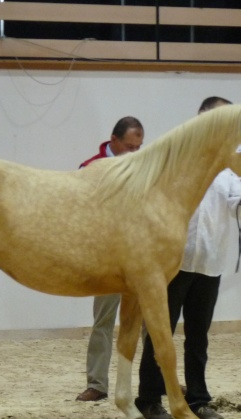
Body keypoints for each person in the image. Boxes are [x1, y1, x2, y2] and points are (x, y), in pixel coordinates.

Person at [134, 96, 241, 419]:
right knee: (161, 333)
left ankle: (198, 399)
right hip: (175, 260)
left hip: (210, 261)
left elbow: (232, 204)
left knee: (198, 337)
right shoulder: (177, 158)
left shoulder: (228, 168)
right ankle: (149, 398)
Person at [75, 116, 145, 402]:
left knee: (148, 322)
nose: (134, 152)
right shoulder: (90, 168)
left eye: (138, 147)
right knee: (103, 319)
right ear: (113, 140)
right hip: (106, 256)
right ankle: (97, 383)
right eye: (129, 146)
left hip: (137, 255)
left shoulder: (142, 168)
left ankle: (153, 383)